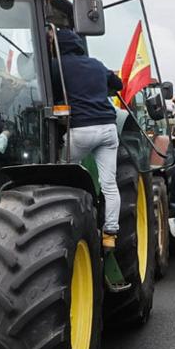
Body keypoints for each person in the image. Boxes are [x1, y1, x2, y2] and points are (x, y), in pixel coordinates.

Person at [52, 25, 124, 249]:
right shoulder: (96, 64)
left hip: (81, 129)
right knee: (109, 184)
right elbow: (118, 85)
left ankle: (65, 217)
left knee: (60, 175)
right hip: (108, 129)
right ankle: (110, 232)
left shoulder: (56, 66)